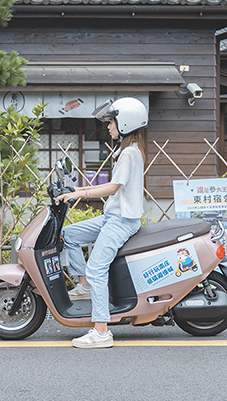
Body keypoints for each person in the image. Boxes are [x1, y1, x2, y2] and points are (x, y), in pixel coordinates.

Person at [56, 97, 147, 349]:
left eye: (112, 121)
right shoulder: (125, 150)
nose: (109, 126)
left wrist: (79, 193)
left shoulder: (129, 153)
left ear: (125, 123)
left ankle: (101, 332)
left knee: (97, 269)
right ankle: (84, 284)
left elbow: (112, 187)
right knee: (68, 235)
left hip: (122, 222)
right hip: (111, 217)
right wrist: (75, 188)